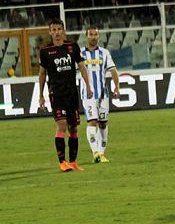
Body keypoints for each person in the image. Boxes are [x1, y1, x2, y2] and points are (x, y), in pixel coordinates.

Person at [38, 19, 92, 172]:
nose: (56, 32)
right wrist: (41, 95)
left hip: (72, 94)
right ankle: (62, 162)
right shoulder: (45, 51)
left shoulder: (72, 47)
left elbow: (82, 67)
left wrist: (88, 85)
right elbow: (42, 74)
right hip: (56, 94)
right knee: (62, 125)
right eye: (53, 29)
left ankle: (73, 162)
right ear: (50, 32)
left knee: (73, 128)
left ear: (63, 31)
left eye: (59, 29)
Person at [80, 27, 121, 163]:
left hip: (103, 94)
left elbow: (113, 70)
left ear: (99, 37)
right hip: (88, 94)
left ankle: (102, 153)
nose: (93, 37)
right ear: (86, 36)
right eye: (90, 34)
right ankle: (95, 152)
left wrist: (117, 86)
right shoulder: (79, 54)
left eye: (95, 35)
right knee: (92, 121)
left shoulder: (104, 53)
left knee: (103, 123)